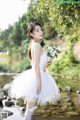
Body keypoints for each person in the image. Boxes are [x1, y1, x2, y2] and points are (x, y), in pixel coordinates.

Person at [8, 22, 60, 120]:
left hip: (36, 75)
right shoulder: (36, 45)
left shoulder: (34, 44)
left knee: (30, 107)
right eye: (37, 30)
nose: (41, 32)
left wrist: (46, 64)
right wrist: (39, 83)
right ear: (31, 34)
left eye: (41, 29)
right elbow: (36, 65)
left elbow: (37, 64)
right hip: (36, 78)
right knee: (30, 110)